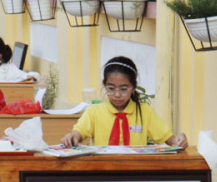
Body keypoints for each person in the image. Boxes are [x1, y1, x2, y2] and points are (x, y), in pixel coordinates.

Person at [60, 56, 188, 149]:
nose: (117, 94)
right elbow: (80, 131)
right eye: (111, 88)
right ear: (104, 86)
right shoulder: (94, 112)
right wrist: (72, 137)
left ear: (133, 88)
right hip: (102, 171)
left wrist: (179, 139)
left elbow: (169, 139)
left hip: (134, 172)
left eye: (123, 89)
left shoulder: (144, 111)